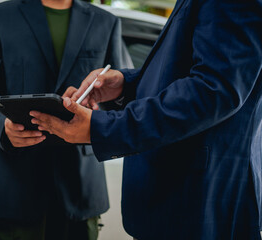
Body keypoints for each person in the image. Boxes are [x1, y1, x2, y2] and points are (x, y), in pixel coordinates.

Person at [30, 0, 262, 239]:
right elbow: (184, 73)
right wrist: (125, 83)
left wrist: (104, 127)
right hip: (179, 203)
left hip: (200, 203)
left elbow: (214, 90)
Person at [0, 0, 132, 239]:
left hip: (81, 183)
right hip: (17, 180)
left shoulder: (106, 21)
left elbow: (120, 93)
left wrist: (99, 107)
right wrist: (3, 128)